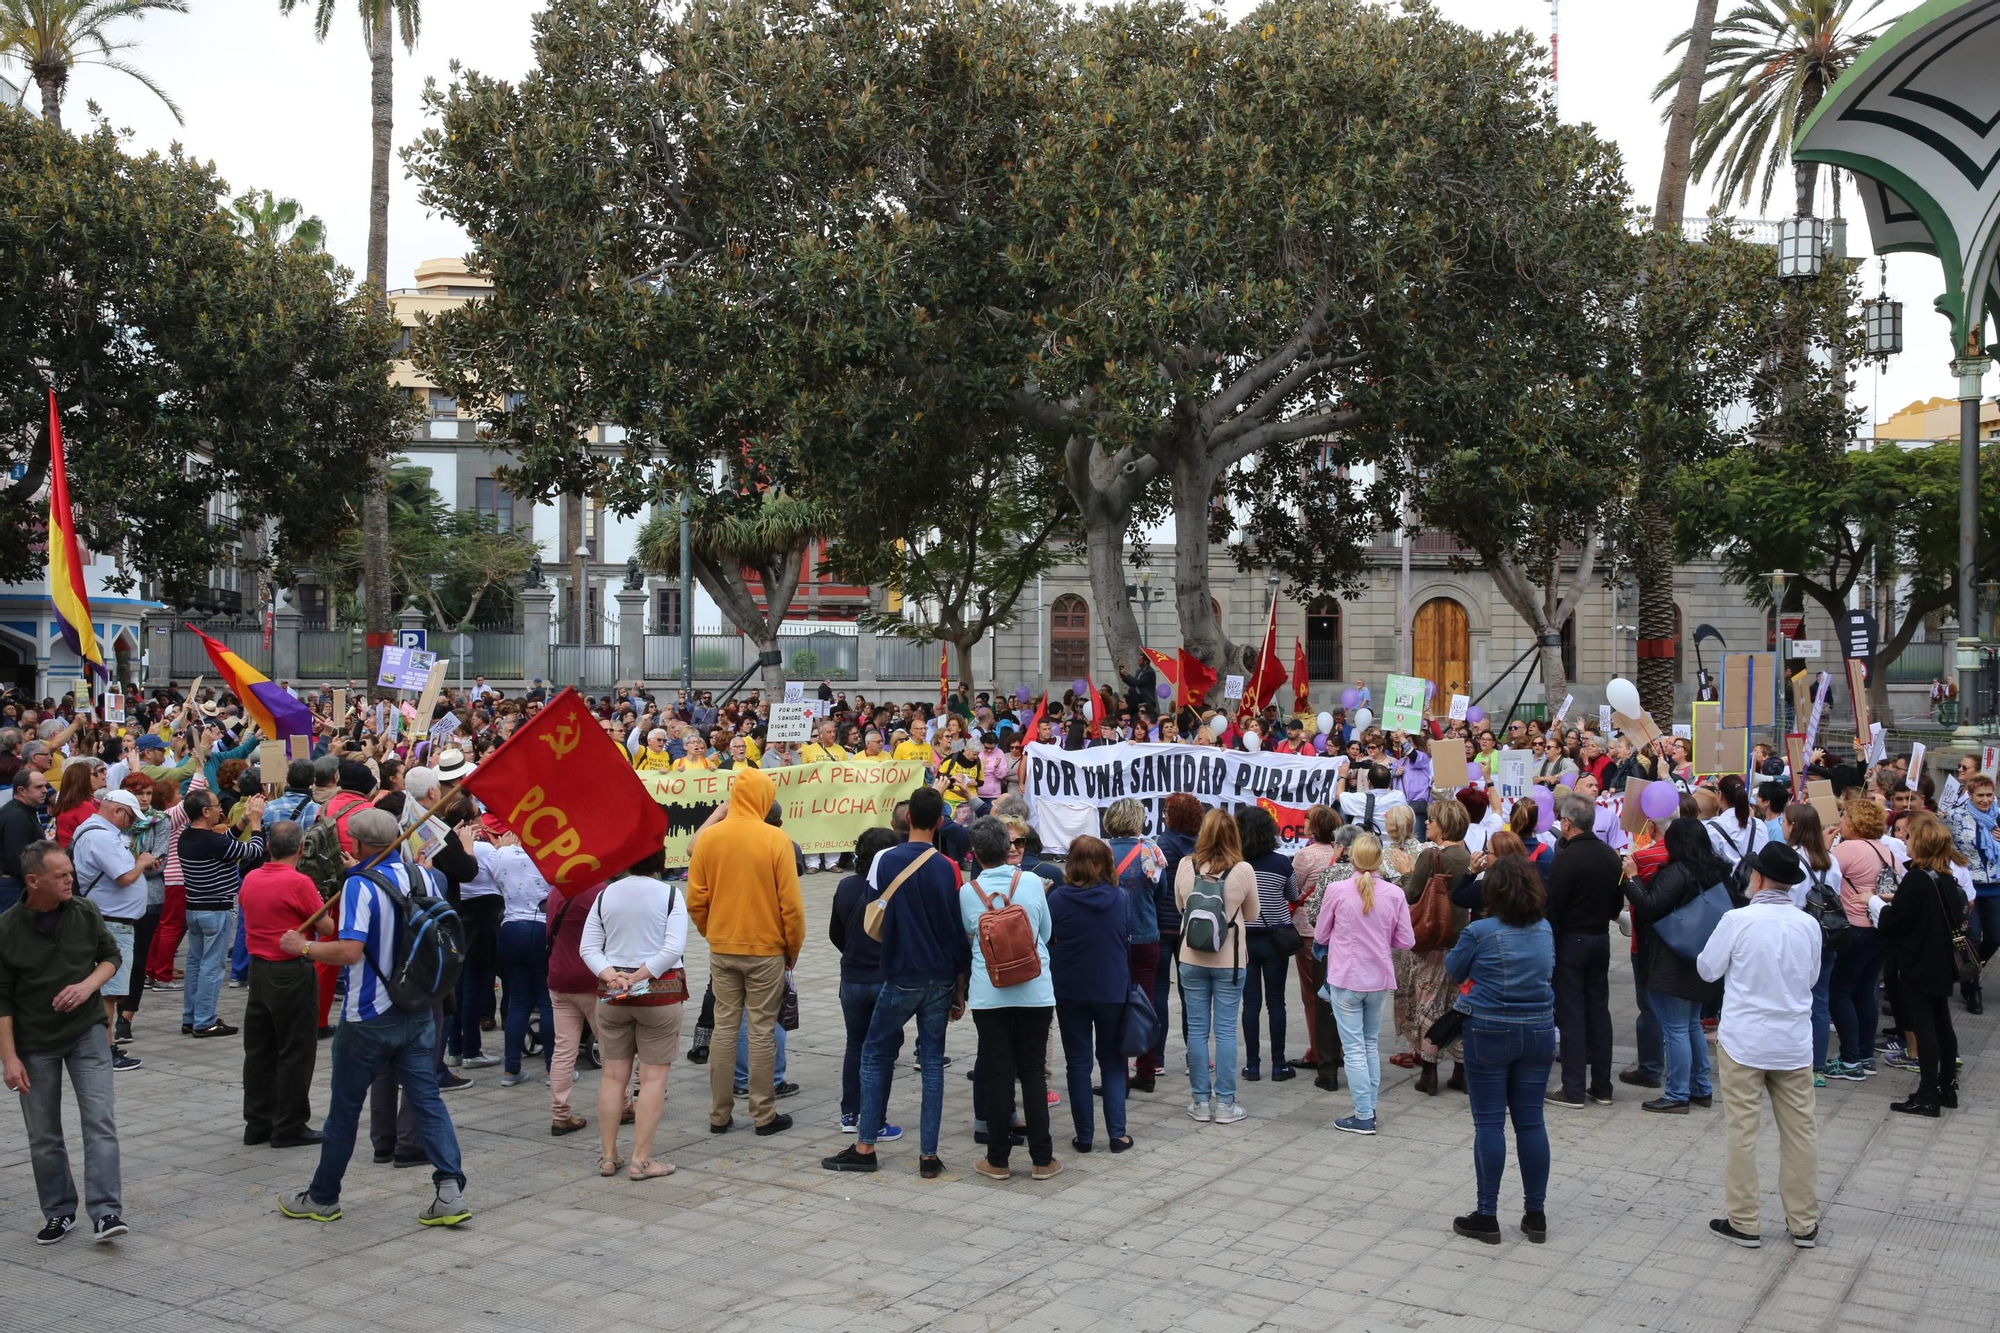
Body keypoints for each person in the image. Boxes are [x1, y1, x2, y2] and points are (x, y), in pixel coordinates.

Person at [276, 808, 470, 1228]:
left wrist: (302, 947)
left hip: (367, 1015)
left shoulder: (358, 885)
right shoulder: (424, 876)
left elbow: (349, 951)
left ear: (359, 846)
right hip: (417, 1007)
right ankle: (450, 1191)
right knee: (427, 1101)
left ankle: (324, 1197)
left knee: (344, 1109)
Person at [821, 789, 967, 1178]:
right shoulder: (948, 867)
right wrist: (959, 984)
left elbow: (874, 912)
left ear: (905, 821)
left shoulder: (885, 859)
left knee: (874, 1052)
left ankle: (865, 1144)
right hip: (938, 976)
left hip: (901, 972)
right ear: (939, 822)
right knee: (932, 1062)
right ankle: (928, 1155)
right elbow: (955, 927)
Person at [0, 840, 128, 1243]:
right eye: (61, 875)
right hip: (34, 1041)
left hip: (87, 1032)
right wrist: (9, 1058)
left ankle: (106, 1212)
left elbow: (111, 957)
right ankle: (58, 1211)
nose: (70, 879)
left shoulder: (85, 911)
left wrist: (87, 985)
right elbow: (1, 1000)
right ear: (34, 881)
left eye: (70, 872)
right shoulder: (7, 928)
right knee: (43, 1134)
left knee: (100, 1122)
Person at [1696, 841, 1819, 1249]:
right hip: (1793, 1041)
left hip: (1745, 1039)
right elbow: (1812, 978)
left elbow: (1708, 969)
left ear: (1760, 877)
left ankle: (1745, 1220)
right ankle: (1803, 1221)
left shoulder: (1738, 919)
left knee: (1742, 1131)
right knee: (1801, 1132)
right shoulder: (1808, 924)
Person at [1443, 853, 1556, 1245]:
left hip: (1489, 1028)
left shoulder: (1481, 931)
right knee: (1531, 1122)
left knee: (1489, 1124)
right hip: (1538, 1030)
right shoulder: (1543, 929)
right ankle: (1535, 1213)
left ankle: (1487, 1215)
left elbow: (1454, 971)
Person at [686, 766, 804, 1138]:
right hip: (766, 949)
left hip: (722, 947)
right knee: (761, 1030)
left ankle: (719, 1114)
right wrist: (792, 948)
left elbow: (696, 900)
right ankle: (763, 1113)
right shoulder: (775, 839)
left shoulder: (708, 839)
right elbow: (792, 907)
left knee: (724, 1028)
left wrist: (712, 932)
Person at [960, 814, 1059, 1180]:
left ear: (974, 854)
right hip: (1035, 990)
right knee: (1032, 1072)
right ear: (1008, 847)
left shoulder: (968, 893)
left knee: (999, 1074)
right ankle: (1043, 1160)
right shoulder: (1032, 882)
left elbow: (968, 937)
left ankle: (997, 1160)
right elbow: (1045, 933)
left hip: (989, 994)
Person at [580, 849, 689, 1179]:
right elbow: (672, 949)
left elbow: (588, 947)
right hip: (660, 996)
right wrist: (639, 976)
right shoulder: (670, 895)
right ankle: (641, 1160)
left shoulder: (605, 894)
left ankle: (609, 1155)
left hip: (612, 996)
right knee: (654, 1078)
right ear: (661, 861)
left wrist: (613, 975)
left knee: (613, 1077)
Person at [1619, 818, 1724, 1114]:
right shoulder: (1713, 869)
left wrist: (1632, 878)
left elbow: (1650, 906)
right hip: (1699, 954)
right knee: (1690, 1024)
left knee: (1676, 1028)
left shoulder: (1679, 870)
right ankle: (1700, 1087)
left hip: (1673, 957)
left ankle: (1677, 1093)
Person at [1315, 834, 1414, 1135]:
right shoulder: (1394, 894)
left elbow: (1320, 935)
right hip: (1378, 979)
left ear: (1353, 858)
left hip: (1346, 978)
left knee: (1355, 1048)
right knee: (1368, 1045)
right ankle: (1368, 1108)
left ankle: (1363, 1114)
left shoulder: (1338, 890)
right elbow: (1406, 940)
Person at [1875, 812, 1969, 1116]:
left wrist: (1876, 904)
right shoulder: (1945, 876)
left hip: (1918, 963)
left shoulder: (1917, 878)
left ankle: (1927, 1094)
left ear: (1922, 844)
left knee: (1924, 1026)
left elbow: (1897, 922)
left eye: (1911, 837)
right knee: (1941, 1022)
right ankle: (1946, 1085)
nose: (1906, 841)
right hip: (1941, 962)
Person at [237, 820, 325, 1148]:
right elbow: (327, 924)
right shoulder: (299, 882)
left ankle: (258, 1122)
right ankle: (289, 1124)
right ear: (301, 850)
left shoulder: (250, 878)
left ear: (269, 848)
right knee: (295, 1049)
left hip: (258, 969)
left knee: (259, 1050)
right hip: (289, 970)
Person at [1046, 835, 1133, 1154]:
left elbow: (1049, 937)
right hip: (1111, 988)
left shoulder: (1057, 898)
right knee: (1112, 1059)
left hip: (1070, 988)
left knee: (1078, 1063)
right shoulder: (1120, 897)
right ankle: (1118, 1134)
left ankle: (1084, 1136)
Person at [1175, 808, 1258, 1125]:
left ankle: (1199, 1102)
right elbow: (1251, 914)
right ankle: (1224, 1103)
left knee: (1196, 1031)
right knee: (1225, 1032)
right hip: (1230, 961)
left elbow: (1181, 906)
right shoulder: (1242, 870)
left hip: (1190, 957)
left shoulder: (1186, 865)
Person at [1543, 794, 1623, 1110]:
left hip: (1572, 939)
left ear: (1568, 823)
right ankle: (1602, 1086)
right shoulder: (1609, 855)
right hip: (1599, 938)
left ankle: (1573, 1087)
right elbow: (1617, 905)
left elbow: (1555, 906)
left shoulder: (1566, 857)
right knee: (1599, 1011)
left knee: (1572, 1014)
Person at [826, 826, 906, 1140]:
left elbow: (835, 933)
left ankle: (850, 1114)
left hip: (853, 979)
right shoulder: (897, 889)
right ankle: (876, 1120)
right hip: (885, 979)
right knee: (883, 1050)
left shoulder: (846, 886)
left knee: (855, 1045)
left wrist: (853, 952)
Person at [66, 788, 153, 1073]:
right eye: (129, 817)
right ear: (117, 811)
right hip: (113, 923)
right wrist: (141, 862)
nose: (130, 824)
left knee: (106, 992)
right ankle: (106, 1050)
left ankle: (101, 1046)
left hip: (111, 919)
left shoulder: (95, 831)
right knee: (109, 993)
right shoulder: (101, 836)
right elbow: (125, 877)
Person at [177, 785, 266, 1039]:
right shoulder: (212, 842)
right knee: (212, 967)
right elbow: (254, 851)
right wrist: (257, 824)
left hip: (194, 909)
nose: (220, 811)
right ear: (206, 811)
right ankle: (205, 1021)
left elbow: (225, 844)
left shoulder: (188, 837)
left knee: (195, 963)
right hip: (216, 910)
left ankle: (191, 1017)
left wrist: (245, 820)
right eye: (216, 807)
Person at [544, 876, 622, 1137]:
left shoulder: (556, 890)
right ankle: (623, 1105)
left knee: (563, 1049)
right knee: (612, 1047)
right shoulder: (601, 892)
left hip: (559, 977)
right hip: (592, 979)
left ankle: (560, 1114)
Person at [1828, 798, 1900, 1079]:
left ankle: (1849, 1060)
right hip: (1878, 928)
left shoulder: (1848, 848)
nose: (1841, 822)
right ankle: (1866, 1056)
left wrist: (1825, 844)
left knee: (1840, 991)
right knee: (1865, 990)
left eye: (1845, 818)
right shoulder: (1887, 851)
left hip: (1853, 927)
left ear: (1856, 823)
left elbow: (1823, 872)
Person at [1404, 799, 1473, 1095]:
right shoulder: (1468, 855)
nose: (1427, 823)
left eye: (1432, 819)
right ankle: (1460, 1071)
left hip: (1432, 939)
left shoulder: (1431, 857)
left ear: (1443, 824)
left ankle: (1429, 1071)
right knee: (1459, 1005)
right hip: (1463, 941)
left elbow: (1411, 893)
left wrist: (1406, 871)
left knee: (1429, 1004)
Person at [1101, 797, 1164, 1091]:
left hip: (1112, 938)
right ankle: (1148, 1070)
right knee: (1146, 1005)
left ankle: (1119, 1077)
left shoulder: (1101, 852)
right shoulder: (1151, 850)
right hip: (1146, 934)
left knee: (1114, 1007)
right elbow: (1160, 890)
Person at [486, 832, 556, 1087]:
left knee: (517, 1001)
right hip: (540, 928)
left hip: (510, 928)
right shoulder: (551, 854)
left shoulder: (502, 854)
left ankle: (511, 1069)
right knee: (547, 1001)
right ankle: (553, 1069)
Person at [1235, 806, 1298, 1083]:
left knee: (1250, 1004)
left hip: (1245, 940)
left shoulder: (1235, 864)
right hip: (1276, 938)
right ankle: (1279, 1064)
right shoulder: (1282, 862)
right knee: (1276, 1002)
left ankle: (1252, 1065)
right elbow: (1292, 893)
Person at [1783, 803, 1844, 1084]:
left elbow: (1790, 903)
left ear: (1794, 827)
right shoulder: (1829, 859)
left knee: (1793, 999)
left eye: (1785, 822)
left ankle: (1793, 1060)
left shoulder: (1791, 860)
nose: (1783, 826)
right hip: (1827, 937)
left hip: (1798, 939)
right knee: (1819, 1000)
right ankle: (1817, 1063)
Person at [1943, 772, 1998, 1014]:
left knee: (1995, 937)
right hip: (1970, 885)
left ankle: (1972, 968)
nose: (1985, 800)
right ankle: (1971, 986)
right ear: (1970, 794)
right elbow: (1946, 845)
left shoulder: (1998, 816)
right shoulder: (1956, 816)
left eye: (1989, 794)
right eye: (1980, 795)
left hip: (1996, 884)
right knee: (1973, 937)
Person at [0, 765, 50, 911]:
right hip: (14, 887)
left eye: (45, 786)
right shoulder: (16, 816)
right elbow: (16, 857)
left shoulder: (24, 810)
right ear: (22, 790)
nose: (45, 790)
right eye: (38, 787)